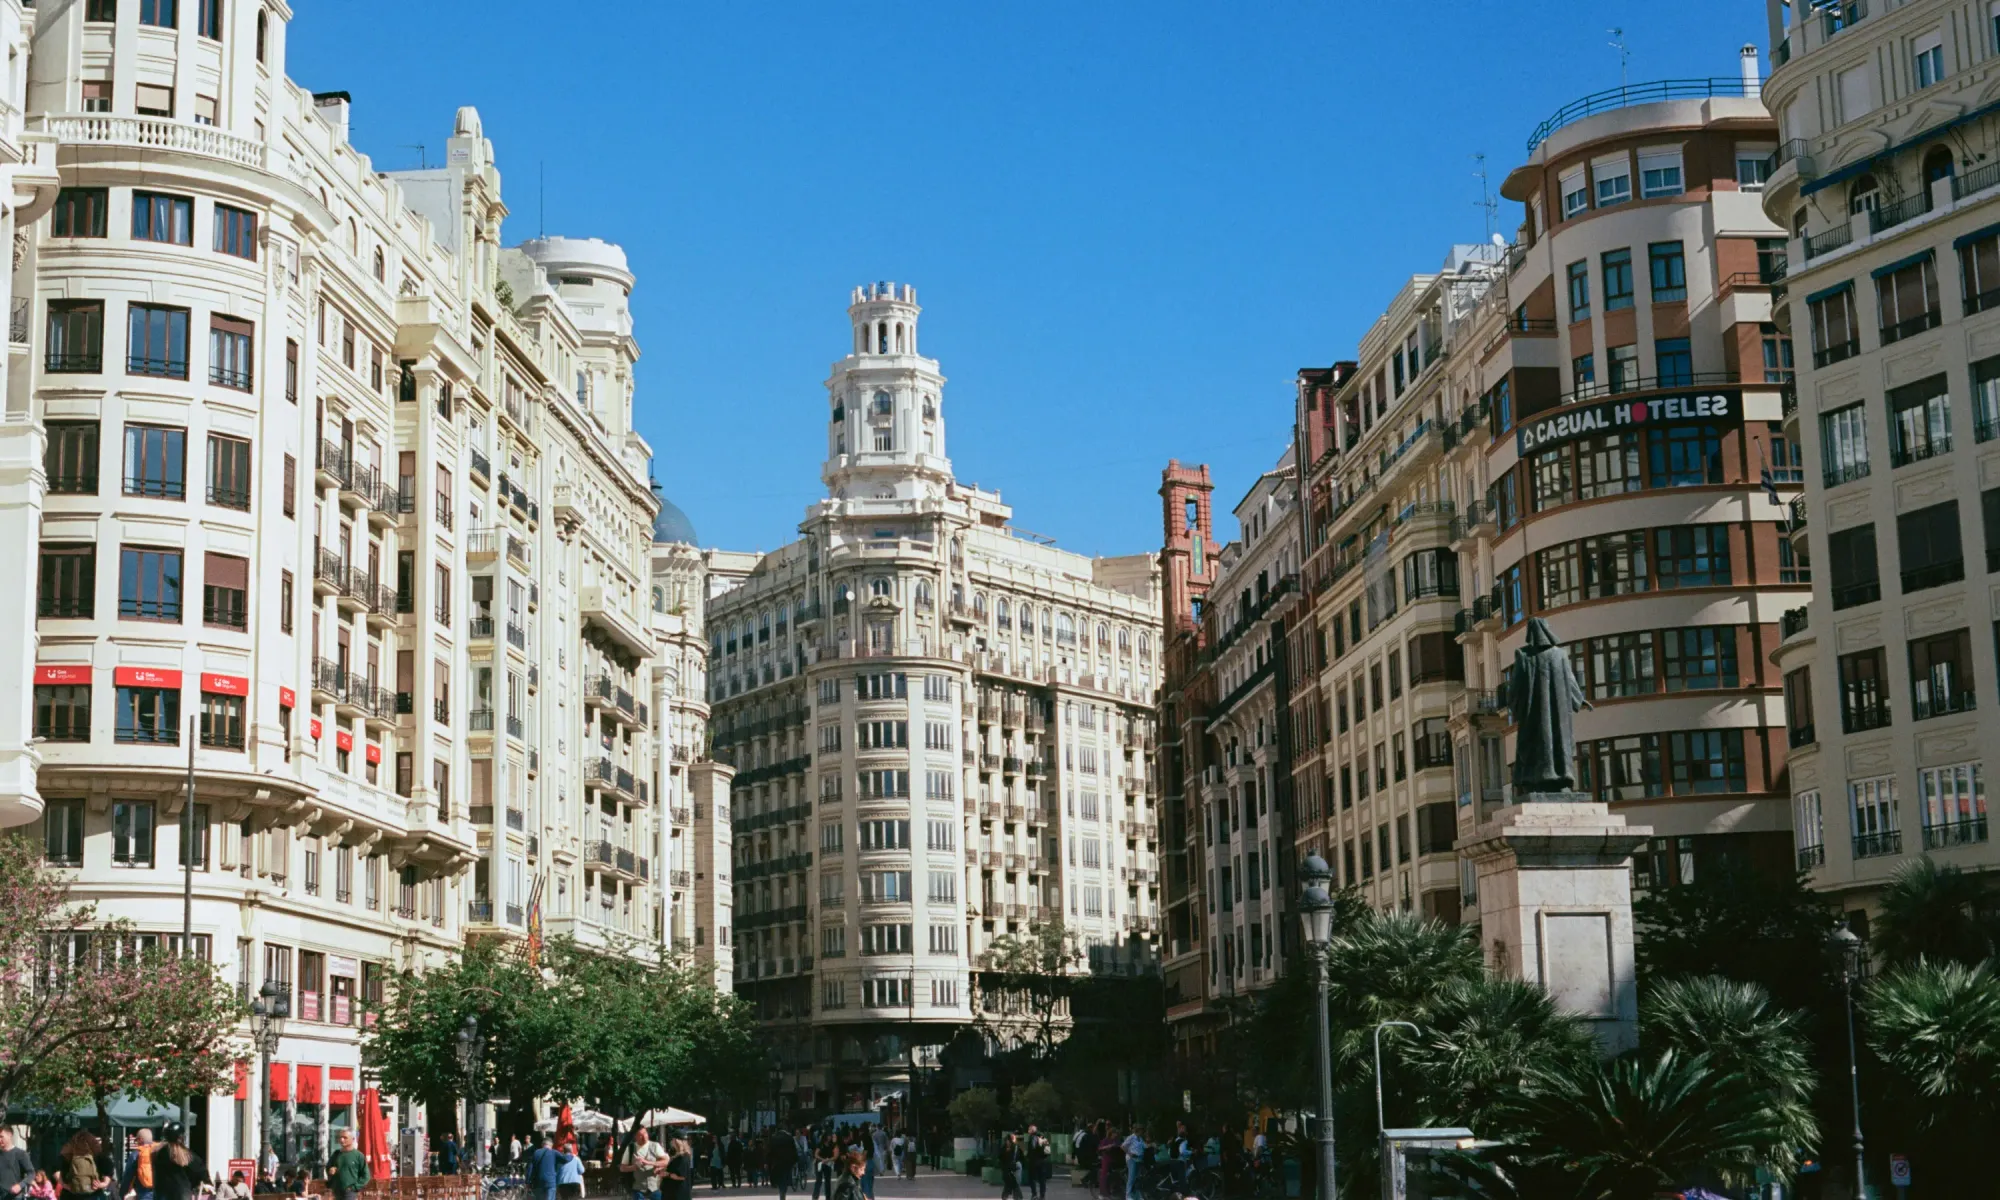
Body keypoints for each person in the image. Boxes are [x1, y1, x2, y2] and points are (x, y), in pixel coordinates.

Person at [147, 1126, 205, 1200]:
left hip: (161, 1194)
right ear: (182, 1137)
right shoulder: (187, 1155)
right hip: (182, 1194)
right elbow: (201, 1171)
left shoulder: (156, 1152)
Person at [324, 1130, 370, 1200]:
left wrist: (354, 1188)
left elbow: (366, 1176)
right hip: (336, 1191)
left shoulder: (358, 1156)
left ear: (353, 1139)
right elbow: (328, 1168)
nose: (341, 1140)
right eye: (340, 1137)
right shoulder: (336, 1154)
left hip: (350, 1193)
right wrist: (330, 1170)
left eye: (345, 1137)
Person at [623, 1128, 668, 1200]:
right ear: (635, 1137)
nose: (644, 1137)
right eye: (641, 1135)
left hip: (654, 1188)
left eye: (645, 1133)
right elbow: (622, 1168)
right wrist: (634, 1167)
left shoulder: (655, 1146)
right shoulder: (630, 1148)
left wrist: (649, 1163)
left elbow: (665, 1161)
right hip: (637, 1189)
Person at [764, 1130, 798, 1200]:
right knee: (785, 1179)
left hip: (777, 1163)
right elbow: (793, 1150)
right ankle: (783, 1192)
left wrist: (767, 1162)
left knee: (780, 1179)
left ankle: (781, 1191)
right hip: (787, 1162)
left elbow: (770, 1152)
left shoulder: (774, 1139)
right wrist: (795, 1160)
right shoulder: (789, 1138)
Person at [529, 1135, 563, 1200]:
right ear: (551, 1145)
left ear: (542, 1144)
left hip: (538, 1182)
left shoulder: (536, 1152)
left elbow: (531, 1168)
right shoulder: (554, 1152)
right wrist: (571, 1155)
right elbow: (565, 1159)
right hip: (551, 1182)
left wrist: (528, 1181)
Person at [1023, 1126, 1050, 1200]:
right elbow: (1048, 1150)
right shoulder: (1043, 1137)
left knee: (1032, 1179)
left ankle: (1034, 1194)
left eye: (1029, 1129)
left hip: (1034, 1161)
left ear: (1032, 1130)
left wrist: (1028, 1157)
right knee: (1042, 1180)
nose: (1028, 1131)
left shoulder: (1033, 1137)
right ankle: (1042, 1196)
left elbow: (1032, 1148)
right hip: (1043, 1161)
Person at [1120, 1127, 1146, 1200]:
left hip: (1139, 1159)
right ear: (1138, 1130)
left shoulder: (1140, 1139)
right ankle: (1128, 1195)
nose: (1142, 1132)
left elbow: (1145, 1146)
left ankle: (1137, 1195)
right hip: (1132, 1159)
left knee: (1137, 1178)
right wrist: (1129, 1153)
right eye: (1141, 1131)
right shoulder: (1131, 1137)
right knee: (1131, 1177)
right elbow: (1122, 1146)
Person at [811, 1136, 837, 1200]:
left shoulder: (832, 1145)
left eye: (830, 1136)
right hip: (819, 1163)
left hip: (828, 1164)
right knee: (819, 1180)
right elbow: (816, 1154)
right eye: (828, 1136)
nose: (830, 1138)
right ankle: (815, 1197)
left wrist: (828, 1160)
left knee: (827, 1181)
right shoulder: (821, 1144)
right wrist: (823, 1159)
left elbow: (835, 1155)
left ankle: (828, 1197)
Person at [998, 1134, 1022, 1200]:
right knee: (1012, 1184)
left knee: (1013, 1184)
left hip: (1011, 1168)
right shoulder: (1008, 1147)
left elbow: (1017, 1157)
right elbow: (1001, 1157)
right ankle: (1011, 1197)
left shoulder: (1013, 1147)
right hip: (1010, 1168)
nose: (1008, 1142)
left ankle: (1014, 1197)